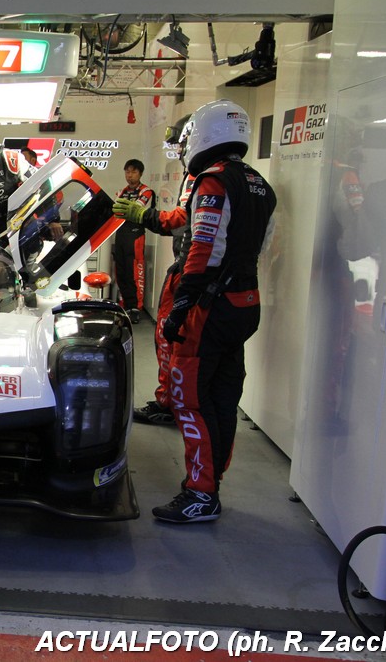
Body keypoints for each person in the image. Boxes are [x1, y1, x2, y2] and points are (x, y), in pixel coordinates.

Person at [151, 99, 276, 524]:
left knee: (189, 399)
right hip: (245, 303)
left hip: (210, 308)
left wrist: (182, 304)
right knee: (223, 398)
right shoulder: (261, 183)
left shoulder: (212, 182)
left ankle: (201, 494)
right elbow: (260, 249)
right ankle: (212, 482)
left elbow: (204, 250)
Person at [114, 115, 195, 426]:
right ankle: (174, 402)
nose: (179, 150)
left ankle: (172, 403)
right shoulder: (208, 178)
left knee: (170, 337)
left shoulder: (204, 180)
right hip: (198, 273)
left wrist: (147, 217)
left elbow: (179, 222)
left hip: (190, 273)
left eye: (181, 144)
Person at [111, 159, 155, 324]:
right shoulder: (121, 191)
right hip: (121, 232)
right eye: (127, 172)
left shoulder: (146, 191)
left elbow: (134, 209)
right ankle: (125, 305)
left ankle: (136, 308)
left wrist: (122, 209)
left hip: (136, 234)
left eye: (133, 172)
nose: (130, 175)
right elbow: (116, 210)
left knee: (134, 271)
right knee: (121, 270)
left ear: (140, 173)